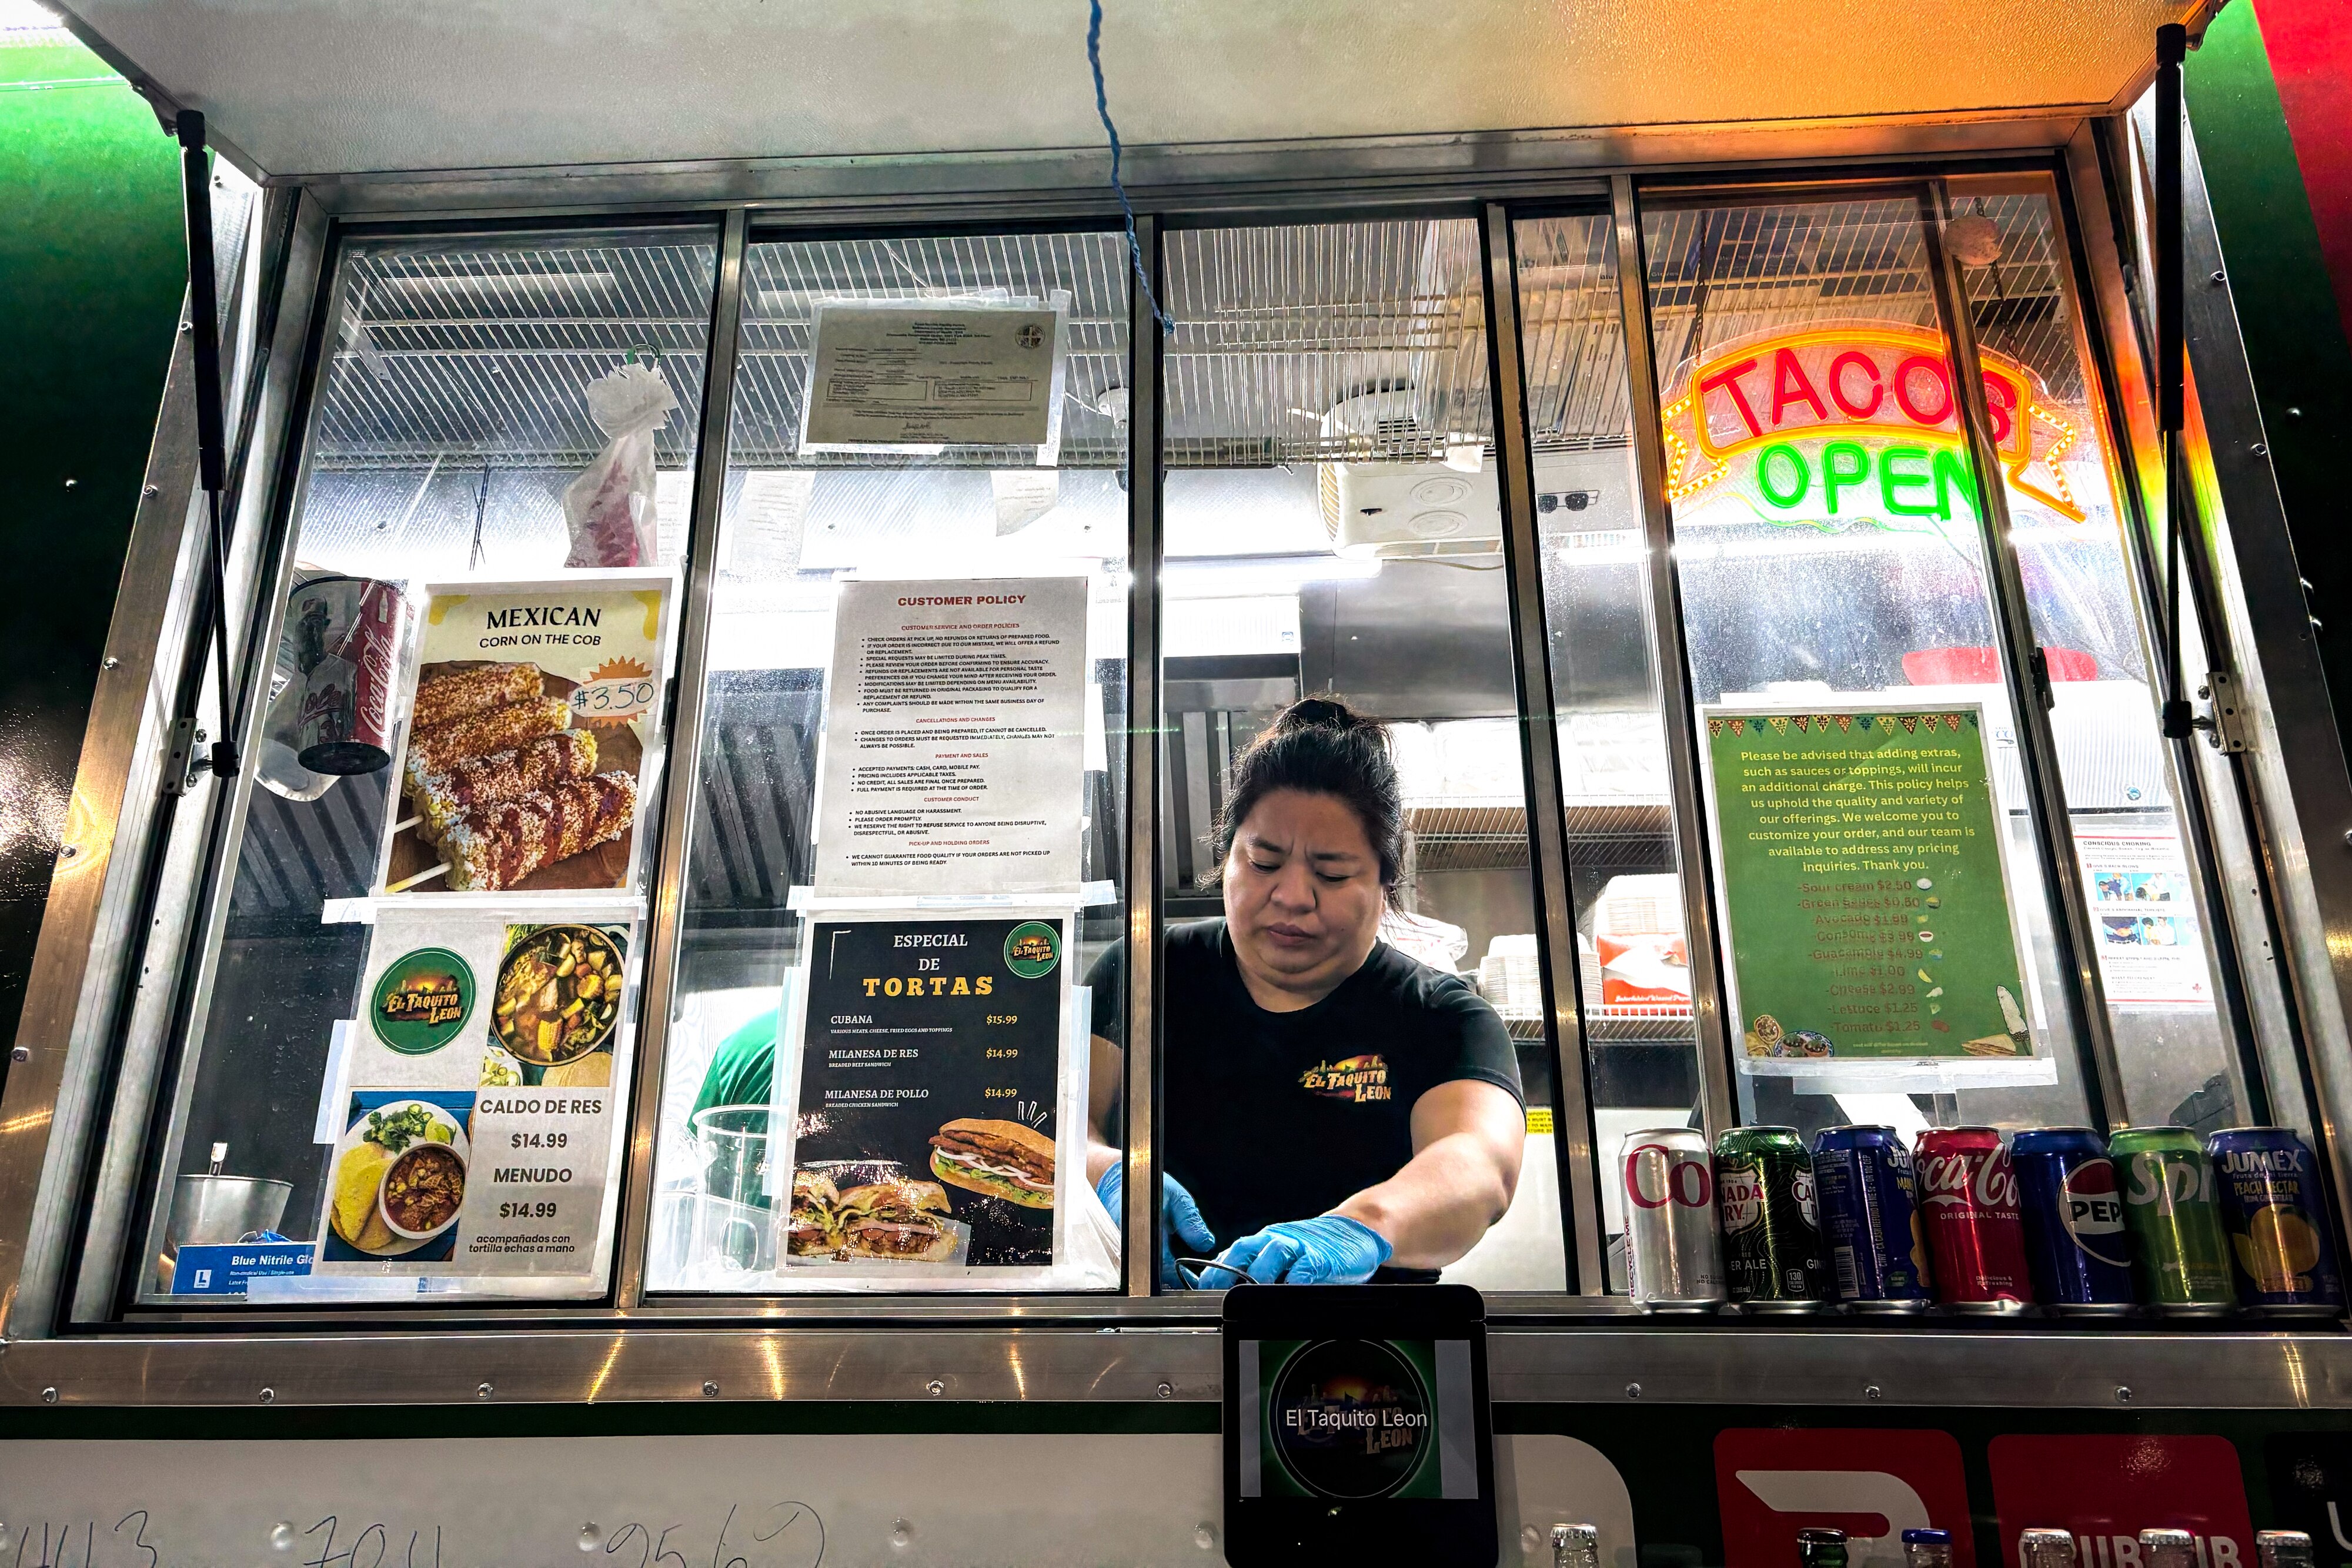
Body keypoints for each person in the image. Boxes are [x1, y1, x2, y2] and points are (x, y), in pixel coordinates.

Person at [1085, 696, 1524, 1286]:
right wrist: (1108, 1172)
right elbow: (1048, 1124)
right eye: (1264, 862)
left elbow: (1480, 1167)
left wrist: (1363, 1226)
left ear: (1384, 881)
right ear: (1228, 857)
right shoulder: (1143, 973)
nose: (1292, 896)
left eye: (1332, 873)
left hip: (1361, 1360)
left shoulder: (1441, 1016)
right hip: (1149, 1346)